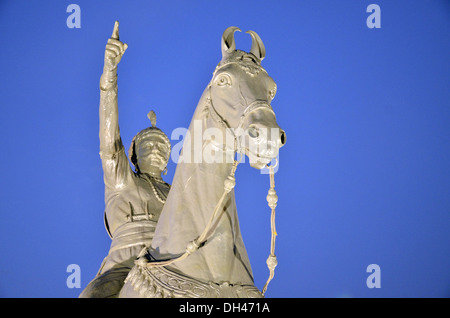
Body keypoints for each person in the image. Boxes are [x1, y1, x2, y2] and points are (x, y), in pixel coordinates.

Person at [79, 21, 171, 298]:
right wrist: (110, 72)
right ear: (133, 156)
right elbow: (109, 141)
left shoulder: (178, 192)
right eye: (148, 145)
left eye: (162, 147)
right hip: (124, 263)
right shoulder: (122, 179)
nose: (155, 149)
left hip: (174, 261)